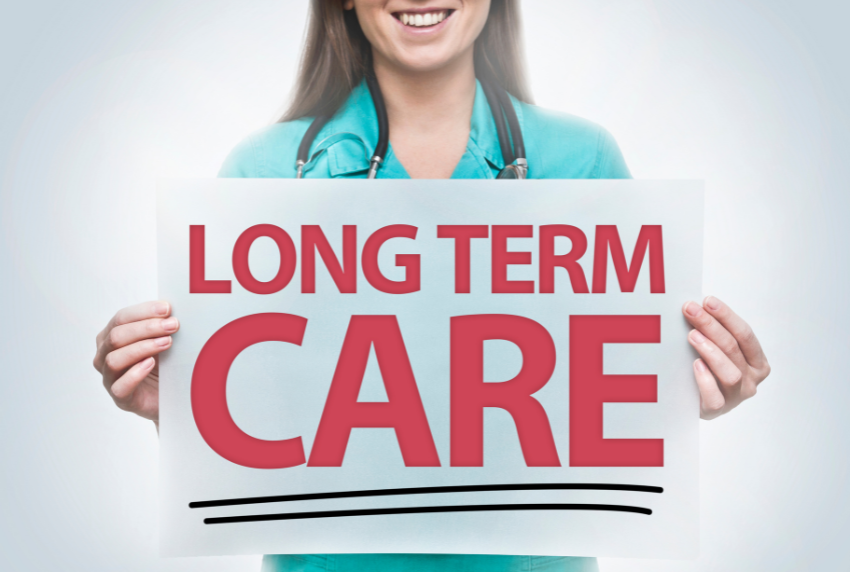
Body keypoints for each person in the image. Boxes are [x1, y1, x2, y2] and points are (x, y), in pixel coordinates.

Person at [92, 1, 772, 571]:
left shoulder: (583, 161)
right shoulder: (263, 172)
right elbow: (258, 435)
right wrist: (182, 411)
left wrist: (686, 395)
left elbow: (611, 413)